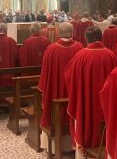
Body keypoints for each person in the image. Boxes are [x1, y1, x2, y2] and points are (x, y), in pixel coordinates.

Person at [64, 26, 117, 156]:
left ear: (86, 38)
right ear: (101, 37)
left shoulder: (81, 55)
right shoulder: (110, 54)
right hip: (106, 104)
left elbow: (68, 76)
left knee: (85, 122)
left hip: (86, 101)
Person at [38, 22, 83, 151]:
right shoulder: (80, 48)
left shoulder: (51, 49)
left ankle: (53, 146)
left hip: (54, 94)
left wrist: (44, 88)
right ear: (72, 33)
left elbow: (45, 75)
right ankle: (74, 143)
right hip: (74, 94)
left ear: (58, 33)